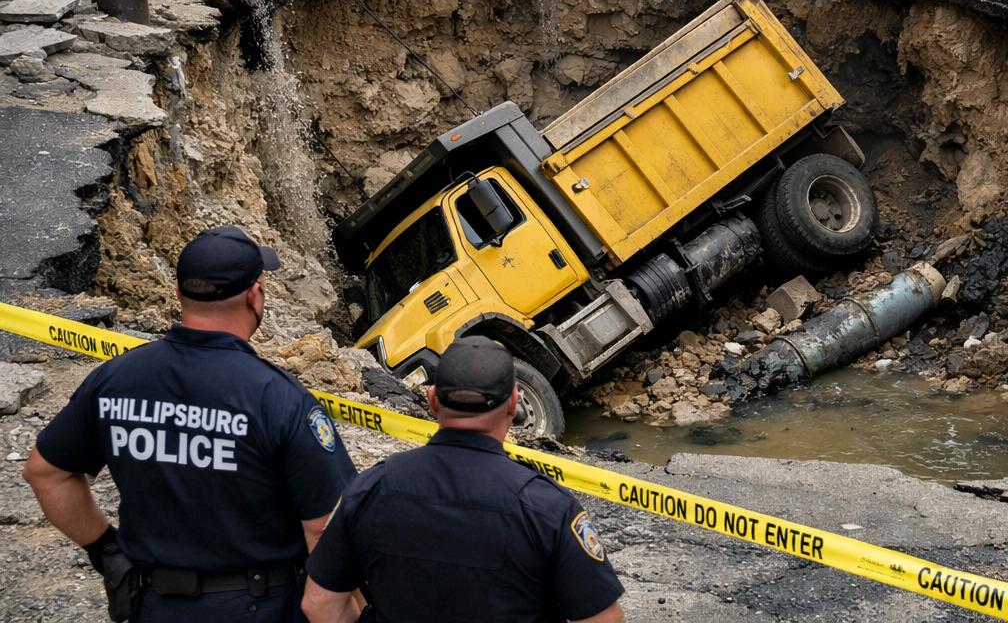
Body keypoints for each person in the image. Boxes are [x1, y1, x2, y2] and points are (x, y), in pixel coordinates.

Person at [23, 225, 357, 622]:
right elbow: (325, 528)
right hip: (258, 605)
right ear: (255, 295)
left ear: (180, 293)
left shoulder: (115, 379)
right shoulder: (279, 398)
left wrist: (106, 549)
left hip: (153, 606)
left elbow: (45, 473)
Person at [302, 337, 625, 623]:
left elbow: (320, 605)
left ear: (432, 400)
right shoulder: (547, 508)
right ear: (514, 403)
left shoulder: (370, 488)